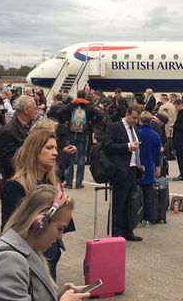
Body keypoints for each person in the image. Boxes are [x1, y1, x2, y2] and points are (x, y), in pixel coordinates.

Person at [0, 184, 90, 301]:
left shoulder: (23, 252)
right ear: (39, 223)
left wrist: (58, 297)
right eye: (59, 229)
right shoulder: (8, 262)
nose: (60, 236)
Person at [1, 127, 71, 279]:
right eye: (49, 148)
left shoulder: (52, 183)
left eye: (56, 148)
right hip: (27, 263)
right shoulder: (16, 186)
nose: (55, 152)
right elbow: (9, 231)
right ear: (34, 150)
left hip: (51, 253)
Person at [101, 105, 145, 241]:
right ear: (127, 114)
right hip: (120, 170)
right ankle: (114, 232)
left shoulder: (135, 128)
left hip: (133, 170)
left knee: (130, 203)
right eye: (134, 118)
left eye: (137, 119)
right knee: (118, 203)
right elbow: (107, 146)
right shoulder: (114, 127)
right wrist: (127, 146)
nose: (136, 121)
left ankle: (127, 230)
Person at [56, 90, 99, 189]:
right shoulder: (89, 106)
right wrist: (91, 122)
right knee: (81, 157)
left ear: (77, 96)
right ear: (85, 96)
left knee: (70, 156)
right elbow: (99, 115)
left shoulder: (71, 105)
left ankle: (69, 182)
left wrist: (65, 120)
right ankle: (79, 183)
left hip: (71, 133)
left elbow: (59, 113)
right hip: (84, 133)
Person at [0, 95, 38, 182]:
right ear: (26, 110)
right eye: (35, 108)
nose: (37, 111)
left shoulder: (28, 126)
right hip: (17, 181)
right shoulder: (9, 131)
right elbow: (6, 162)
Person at [137, 111, 162, 226]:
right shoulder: (155, 135)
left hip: (138, 166)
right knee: (148, 193)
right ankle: (149, 218)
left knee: (136, 193)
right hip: (150, 165)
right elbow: (158, 153)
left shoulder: (137, 134)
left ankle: (136, 216)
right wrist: (157, 166)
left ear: (140, 120)